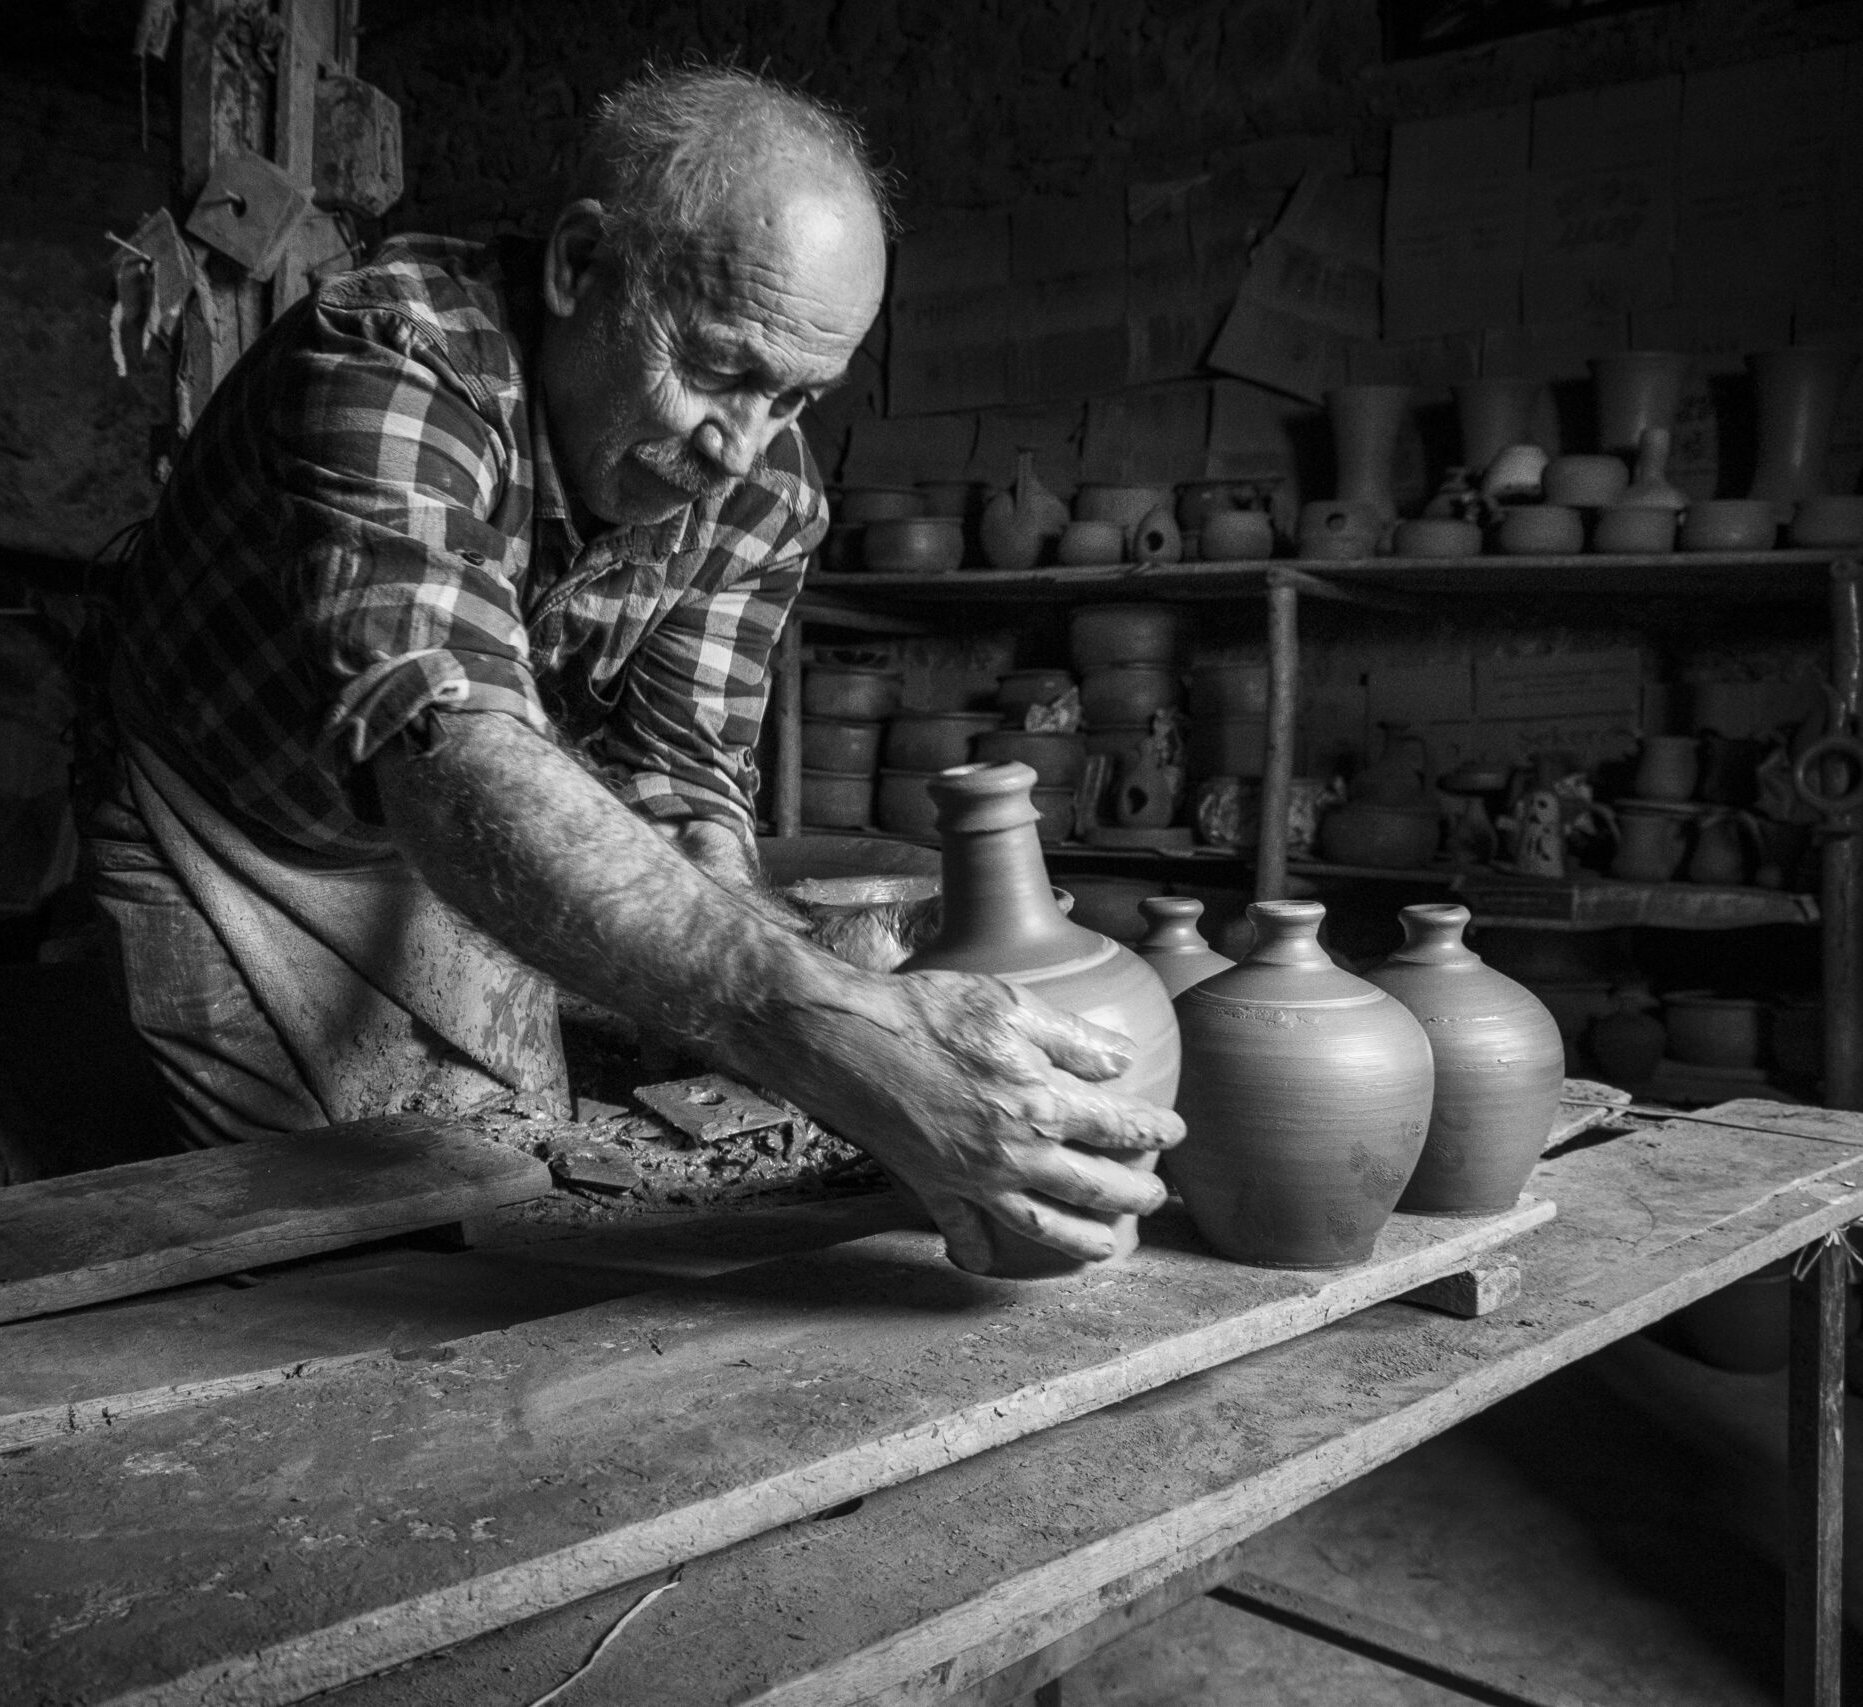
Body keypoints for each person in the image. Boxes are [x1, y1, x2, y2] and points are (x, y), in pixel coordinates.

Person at [83, 66, 1182, 1276]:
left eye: (796, 395)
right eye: (718, 370)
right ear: (580, 266)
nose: (739, 445)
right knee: (319, 1257)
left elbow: (680, 771)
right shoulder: (394, 346)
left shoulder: (766, 485)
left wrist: (800, 1035)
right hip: (219, 808)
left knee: (498, 1198)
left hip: (451, 830)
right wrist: (831, 1031)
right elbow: (443, 736)